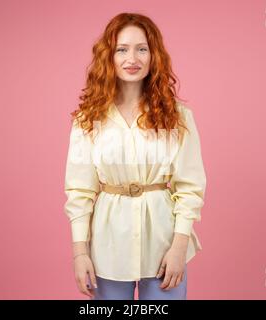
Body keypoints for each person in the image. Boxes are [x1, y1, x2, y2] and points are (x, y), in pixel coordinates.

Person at [63, 12, 207, 300]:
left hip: (164, 244)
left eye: (142, 49)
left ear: (154, 56)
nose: (133, 58)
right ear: (109, 56)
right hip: (108, 246)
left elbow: (189, 187)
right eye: (122, 49)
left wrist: (179, 248)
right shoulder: (87, 119)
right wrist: (80, 253)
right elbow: (79, 191)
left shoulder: (178, 117)